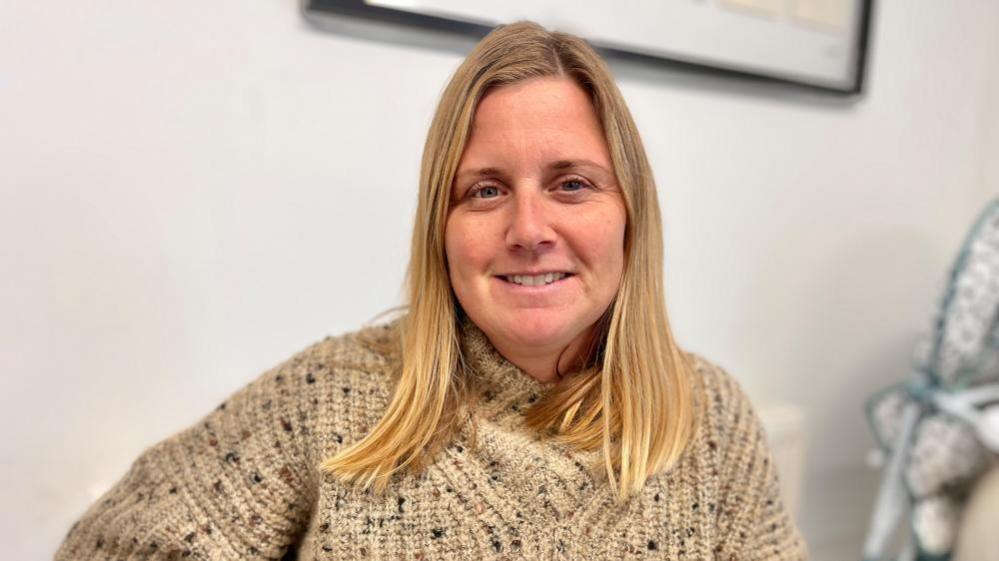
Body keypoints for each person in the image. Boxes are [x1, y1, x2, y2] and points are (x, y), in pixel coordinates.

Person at [55, 21, 805, 560]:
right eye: (483, 191)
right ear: (439, 229)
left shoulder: (709, 419)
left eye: (571, 184)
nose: (528, 227)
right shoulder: (334, 397)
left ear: (630, 216)